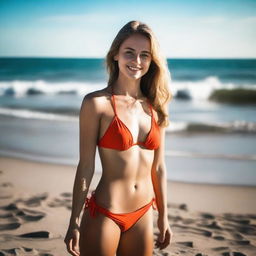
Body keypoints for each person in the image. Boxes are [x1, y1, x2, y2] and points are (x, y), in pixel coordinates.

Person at [64, 20, 173, 256]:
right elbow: (85, 166)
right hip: (106, 213)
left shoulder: (156, 106)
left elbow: (159, 168)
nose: (137, 61)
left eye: (145, 55)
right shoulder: (96, 104)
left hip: (143, 214)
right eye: (129, 53)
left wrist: (163, 216)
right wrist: (74, 220)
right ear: (115, 55)